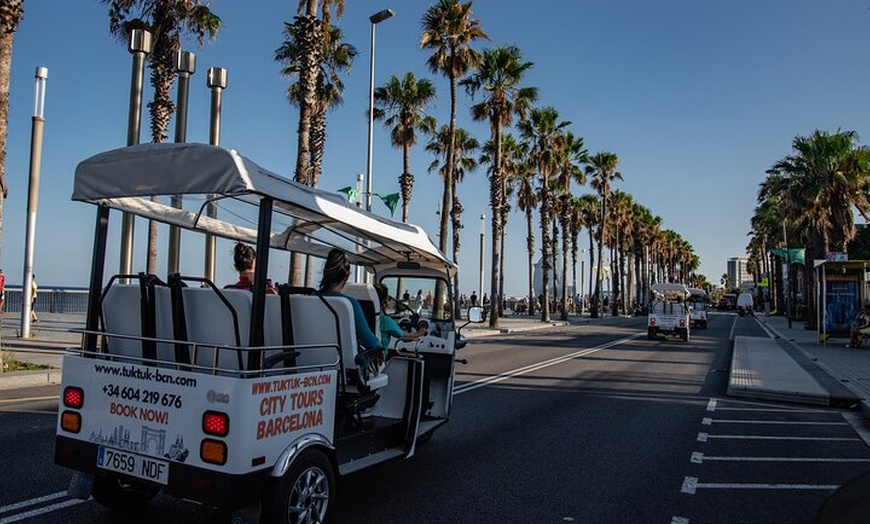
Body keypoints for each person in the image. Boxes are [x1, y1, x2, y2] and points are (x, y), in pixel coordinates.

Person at [319, 249, 384, 375]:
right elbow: (370, 342)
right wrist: (379, 350)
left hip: (312, 367)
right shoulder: (349, 304)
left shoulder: (309, 298)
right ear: (347, 275)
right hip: (345, 373)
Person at [373, 283, 426, 354]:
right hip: (379, 361)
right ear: (384, 301)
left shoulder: (359, 316)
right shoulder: (385, 321)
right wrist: (419, 333)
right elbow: (404, 337)